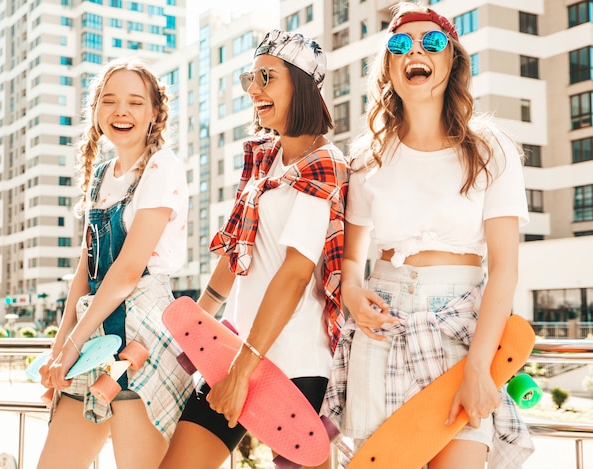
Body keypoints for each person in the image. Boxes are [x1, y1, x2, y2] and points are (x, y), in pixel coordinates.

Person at [322, 2, 535, 468]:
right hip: (383, 325)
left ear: (452, 60)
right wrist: (354, 295)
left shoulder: (489, 148)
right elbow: (352, 262)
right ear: (390, 68)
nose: (414, 50)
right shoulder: (368, 156)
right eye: (399, 45)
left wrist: (479, 367)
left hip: (461, 329)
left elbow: (504, 269)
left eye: (430, 42)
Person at [159, 30, 349, 469]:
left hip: (294, 362)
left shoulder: (324, 164)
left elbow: (295, 274)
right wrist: (197, 321)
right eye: (251, 78)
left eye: (267, 77)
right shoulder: (266, 157)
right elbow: (238, 249)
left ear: (301, 85)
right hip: (234, 349)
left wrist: (244, 371)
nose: (254, 90)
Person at [37, 58, 195, 469]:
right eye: (109, 101)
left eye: (135, 102)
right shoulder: (102, 175)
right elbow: (85, 271)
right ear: (96, 112)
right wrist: (59, 347)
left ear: (155, 112)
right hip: (92, 334)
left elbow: (126, 273)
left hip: (141, 332)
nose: (121, 111)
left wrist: (71, 347)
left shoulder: (162, 166)